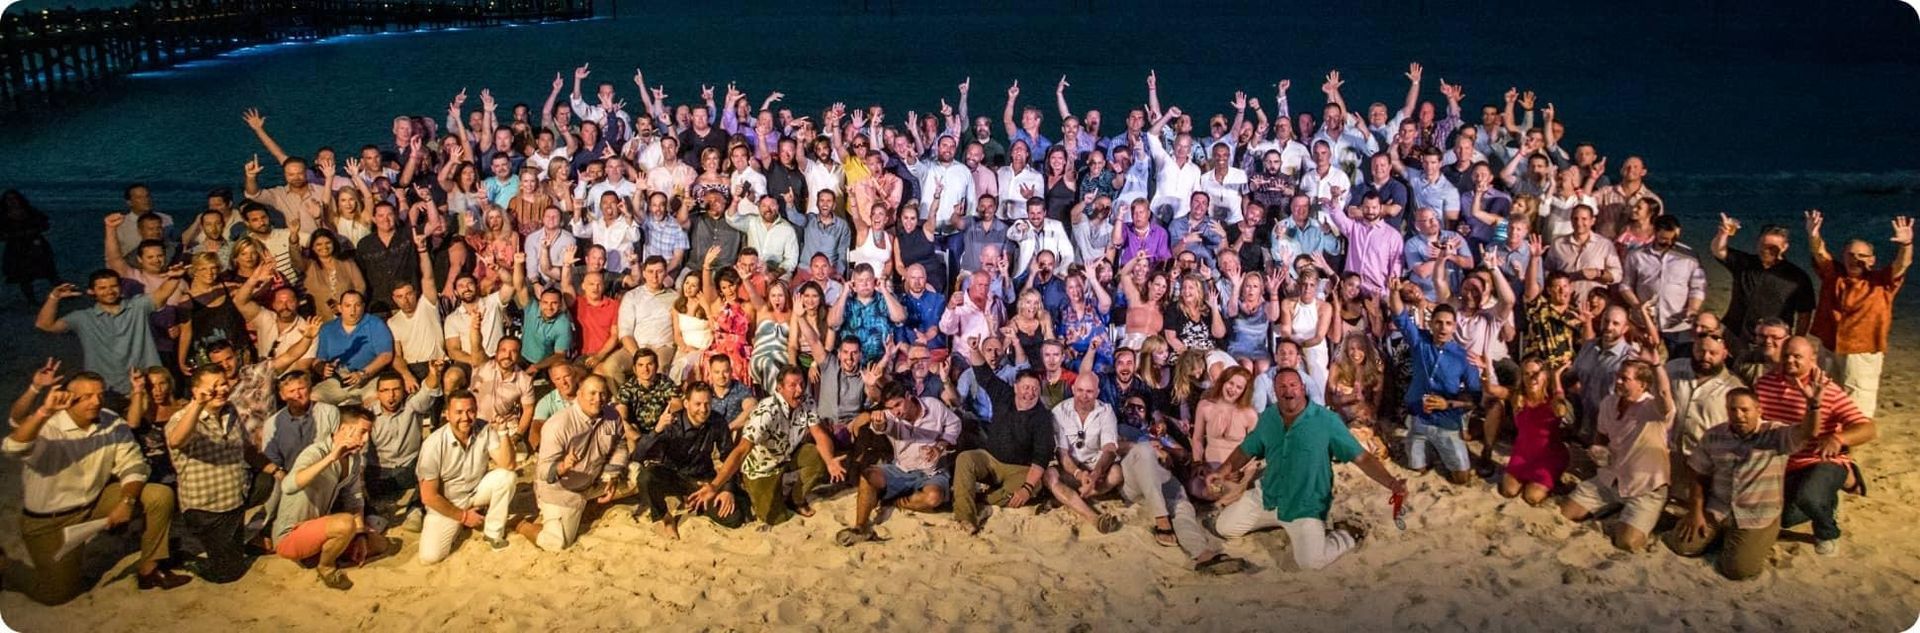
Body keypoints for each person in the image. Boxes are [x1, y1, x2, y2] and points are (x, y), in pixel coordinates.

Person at [7, 370, 189, 603]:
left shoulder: (111, 420)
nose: (96, 401)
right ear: (69, 398)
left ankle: (150, 569)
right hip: (50, 519)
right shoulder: (49, 425)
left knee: (159, 495)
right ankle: (6, 566)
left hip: (94, 502)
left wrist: (127, 501)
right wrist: (43, 411)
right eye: (87, 396)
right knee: (57, 594)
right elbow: (13, 448)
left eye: (100, 395)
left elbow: (134, 463)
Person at [1213, 369, 1407, 571]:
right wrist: (1221, 472)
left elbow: (1362, 457)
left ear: (1303, 388)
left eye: (1293, 385)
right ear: (1275, 392)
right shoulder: (1269, 417)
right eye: (1282, 387)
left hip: (1304, 505)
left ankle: (1346, 535)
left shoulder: (1327, 420)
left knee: (1310, 563)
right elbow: (1245, 451)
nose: (1289, 391)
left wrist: (1392, 483)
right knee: (1224, 527)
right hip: (1268, 496)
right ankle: (1279, 523)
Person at [1666, 387, 1822, 580]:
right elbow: (1699, 474)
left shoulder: (1776, 435)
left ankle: (1758, 538)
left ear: (1759, 410)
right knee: (1681, 546)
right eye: (1732, 409)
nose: (1738, 415)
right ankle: (1725, 536)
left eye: (1744, 410)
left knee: (1737, 570)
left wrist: (1814, 406)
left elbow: (1808, 432)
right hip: (1719, 508)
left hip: (1757, 514)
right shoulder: (1714, 436)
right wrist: (1696, 512)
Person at [1753, 337, 1878, 555]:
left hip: (1821, 459)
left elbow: (1867, 428)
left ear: (1813, 359)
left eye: (1797, 356)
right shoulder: (1765, 384)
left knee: (1809, 497)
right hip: (1786, 463)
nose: (1790, 360)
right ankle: (1826, 496)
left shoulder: (1827, 390)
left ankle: (1827, 531)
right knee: (1785, 518)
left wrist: (1838, 439)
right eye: (1786, 355)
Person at [693, 368, 843, 526]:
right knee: (776, 518)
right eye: (792, 385)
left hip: (786, 456)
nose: (799, 390)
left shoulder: (806, 401)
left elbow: (819, 433)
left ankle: (796, 498)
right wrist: (715, 485)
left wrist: (830, 460)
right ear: (779, 388)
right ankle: (750, 491)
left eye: (801, 384)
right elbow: (741, 449)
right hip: (761, 469)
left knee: (817, 454)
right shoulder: (766, 411)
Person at [1560, 351, 1674, 552]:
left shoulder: (1652, 409)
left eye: (1625, 379)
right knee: (1566, 513)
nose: (1618, 381)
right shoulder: (1609, 403)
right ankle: (1614, 508)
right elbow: (1602, 435)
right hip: (1610, 478)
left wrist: (1656, 366)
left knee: (1627, 542)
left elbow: (1665, 396)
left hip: (1644, 487)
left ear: (1642, 384)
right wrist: (1598, 451)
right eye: (1618, 376)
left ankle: (1637, 515)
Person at [1804, 211, 1911, 417]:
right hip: (1829, 344)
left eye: (1862, 256)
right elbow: (1820, 254)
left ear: (1872, 260)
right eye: (1851, 255)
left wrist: (1905, 245)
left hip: (1863, 349)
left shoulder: (1882, 282)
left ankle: (1850, 441)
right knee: (1825, 394)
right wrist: (1813, 234)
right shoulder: (1833, 274)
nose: (1856, 260)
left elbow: (1902, 265)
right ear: (1843, 256)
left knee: (1858, 399)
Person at [163, 367, 260, 584]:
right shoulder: (182, 418)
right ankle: (186, 557)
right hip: (206, 506)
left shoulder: (230, 411)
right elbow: (176, 440)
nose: (222, 390)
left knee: (234, 560)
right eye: (214, 386)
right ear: (196, 390)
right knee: (228, 573)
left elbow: (246, 448)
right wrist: (197, 404)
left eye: (224, 383)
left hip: (234, 499)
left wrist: (275, 470)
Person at [838, 379, 963, 545]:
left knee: (933, 498)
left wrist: (939, 447)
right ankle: (860, 527)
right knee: (868, 475)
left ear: (908, 396)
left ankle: (895, 502)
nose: (896, 412)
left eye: (898, 405)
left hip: (932, 471)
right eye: (890, 408)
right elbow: (882, 426)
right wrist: (878, 422)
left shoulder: (933, 405)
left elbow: (954, 424)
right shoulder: (890, 416)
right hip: (901, 469)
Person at [952, 336, 1057, 534]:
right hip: (990, 459)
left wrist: (1026, 487)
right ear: (1016, 387)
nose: (1030, 392)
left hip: (1019, 469)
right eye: (1026, 387)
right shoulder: (1003, 394)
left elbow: (1041, 457)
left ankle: (981, 500)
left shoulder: (1042, 417)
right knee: (965, 459)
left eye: (1035, 388)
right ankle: (966, 517)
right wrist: (975, 349)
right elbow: (984, 375)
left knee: (1032, 488)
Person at [275, 408, 386, 590]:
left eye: (368, 434)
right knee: (345, 523)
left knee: (379, 543)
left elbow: (354, 498)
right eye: (362, 432)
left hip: (318, 529)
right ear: (343, 429)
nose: (366, 440)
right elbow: (288, 486)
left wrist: (359, 535)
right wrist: (330, 458)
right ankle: (325, 566)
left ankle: (320, 554)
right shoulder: (315, 452)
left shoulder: (354, 459)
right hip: (292, 534)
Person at [517, 374, 630, 550]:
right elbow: (544, 471)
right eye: (591, 393)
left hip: (597, 479)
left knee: (637, 473)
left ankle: (590, 503)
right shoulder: (558, 425)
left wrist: (612, 475)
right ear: (579, 394)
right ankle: (521, 525)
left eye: (602, 394)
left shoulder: (612, 416)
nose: (597, 399)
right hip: (562, 490)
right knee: (557, 542)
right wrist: (562, 466)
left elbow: (620, 446)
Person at [37, 268, 184, 397]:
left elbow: (162, 293)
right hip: (107, 391)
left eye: (114, 286)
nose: (109, 291)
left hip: (147, 385)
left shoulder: (138, 306)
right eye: (102, 288)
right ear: (91, 291)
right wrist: (53, 298)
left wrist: (176, 277)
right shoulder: (82, 318)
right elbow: (45, 325)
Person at [1389, 280, 1480, 484]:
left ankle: (1443, 449)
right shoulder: (1420, 342)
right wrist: (1394, 292)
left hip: (1446, 422)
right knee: (1417, 468)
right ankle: (1429, 450)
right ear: (1430, 324)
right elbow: (1400, 317)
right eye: (1438, 322)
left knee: (1461, 478)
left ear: (1454, 327)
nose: (1443, 328)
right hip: (1418, 420)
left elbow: (1474, 398)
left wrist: (1448, 404)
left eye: (1448, 324)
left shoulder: (1465, 358)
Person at [630, 382, 748, 537]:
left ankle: (695, 503)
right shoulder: (671, 423)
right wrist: (657, 430)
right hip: (673, 477)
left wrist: (727, 490)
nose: (703, 409)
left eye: (707, 404)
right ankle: (665, 518)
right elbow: (638, 456)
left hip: (701, 480)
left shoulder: (717, 421)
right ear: (686, 404)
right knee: (646, 478)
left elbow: (728, 456)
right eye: (697, 404)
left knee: (734, 518)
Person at [416, 391, 518, 563]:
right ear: (447, 415)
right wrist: (463, 517)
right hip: (448, 502)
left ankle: (493, 533)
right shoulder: (433, 445)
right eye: (459, 412)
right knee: (430, 557)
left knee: (507, 477)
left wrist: (502, 432)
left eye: (470, 411)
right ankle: (463, 522)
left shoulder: (484, 429)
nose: (465, 417)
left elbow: (508, 465)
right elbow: (428, 496)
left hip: (475, 492)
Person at [1711, 214, 1814, 346]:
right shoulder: (1745, 263)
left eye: (1772, 247)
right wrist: (1723, 234)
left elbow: (1804, 314)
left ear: (1784, 247)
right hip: (1734, 333)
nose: (1766, 250)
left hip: (1772, 341)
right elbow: (1718, 251)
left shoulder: (1797, 277)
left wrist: (1796, 341)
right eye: (1762, 245)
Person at [1041, 374, 1125, 533]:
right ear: (1073, 389)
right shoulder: (1059, 412)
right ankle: (1093, 517)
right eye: (1079, 390)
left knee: (1117, 473)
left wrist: (1094, 475)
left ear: (1097, 392)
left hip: (1098, 469)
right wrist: (1079, 474)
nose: (1084, 396)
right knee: (1049, 475)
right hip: (1071, 470)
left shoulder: (1106, 411)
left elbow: (1109, 448)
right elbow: (1062, 453)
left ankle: (1072, 498)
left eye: (1089, 391)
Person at [1499, 356, 1569, 505]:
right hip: (1523, 454)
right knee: (1508, 491)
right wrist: (1486, 371)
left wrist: (1556, 377)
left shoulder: (1553, 400)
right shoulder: (1518, 398)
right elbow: (1492, 390)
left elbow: (1562, 410)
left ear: (1545, 375)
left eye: (1537, 373)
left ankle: (1551, 480)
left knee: (1531, 497)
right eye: (1527, 373)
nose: (1533, 377)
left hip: (1549, 456)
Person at [312, 291, 396, 404]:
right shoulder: (328, 329)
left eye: (357, 305)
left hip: (368, 379)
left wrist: (363, 373)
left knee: (376, 399)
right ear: (339, 308)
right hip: (337, 381)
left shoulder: (375, 324)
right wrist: (322, 368)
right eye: (347, 306)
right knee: (314, 397)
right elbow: (318, 360)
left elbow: (386, 355)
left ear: (363, 306)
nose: (353, 310)